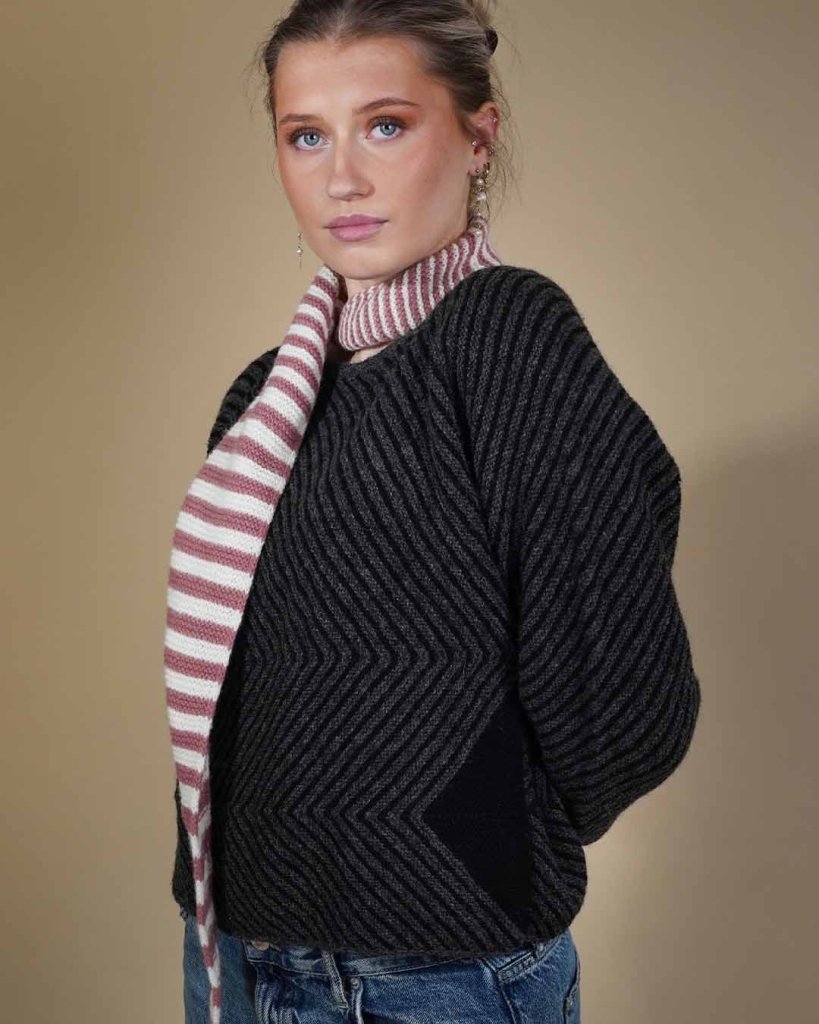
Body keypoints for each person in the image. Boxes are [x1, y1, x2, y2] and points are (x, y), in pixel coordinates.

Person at [163, 2, 702, 1022]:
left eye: (385, 125)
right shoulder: (265, 395)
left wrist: (471, 830)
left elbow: (622, 700)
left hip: (432, 976)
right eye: (305, 135)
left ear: (477, 136)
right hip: (232, 949)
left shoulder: (507, 339)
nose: (342, 178)